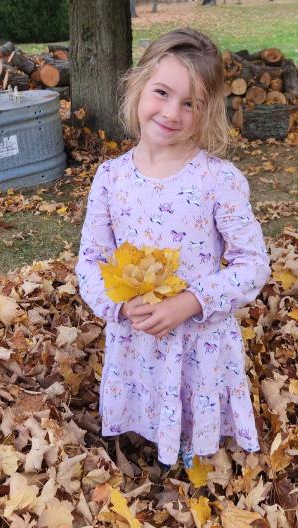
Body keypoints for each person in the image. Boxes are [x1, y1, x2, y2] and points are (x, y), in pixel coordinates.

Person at [76, 27, 270, 469]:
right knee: (147, 399)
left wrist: (190, 302)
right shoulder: (111, 178)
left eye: (190, 104)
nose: (171, 112)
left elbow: (253, 264)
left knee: (187, 412)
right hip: (137, 329)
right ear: (139, 86)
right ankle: (150, 438)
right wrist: (121, 308)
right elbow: (90, 260)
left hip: (196, 336)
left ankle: (188, 445)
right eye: (162, 93)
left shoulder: (218, 180)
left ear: (207, 112)